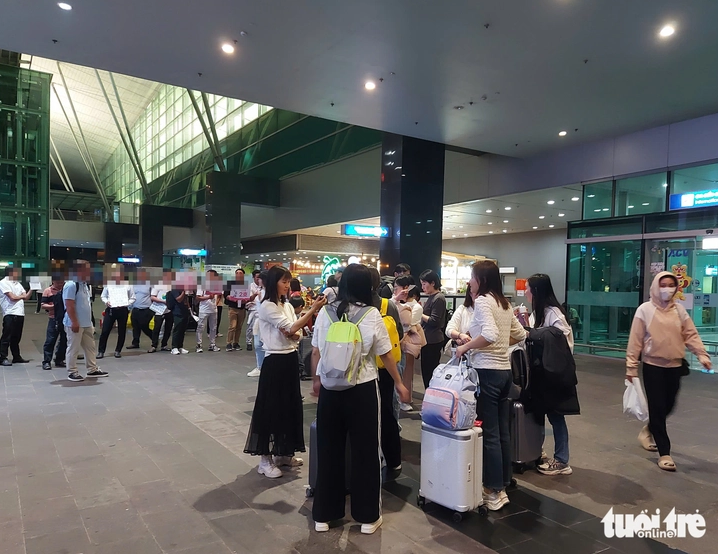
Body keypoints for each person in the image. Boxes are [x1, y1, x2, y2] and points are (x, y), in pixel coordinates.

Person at [311, 263, 410, 535]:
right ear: (367, 287)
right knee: (366, 452)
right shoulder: (371, 314)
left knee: (328, 450)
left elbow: (316, 352)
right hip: (362, 389)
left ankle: (323, 515)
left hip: (330, 390)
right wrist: (399, 384)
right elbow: (386, 353)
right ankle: (367, 517)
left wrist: (317, 381)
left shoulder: (325, 312)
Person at [243, 266, 326, 479]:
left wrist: (292, 332)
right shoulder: (267, 306)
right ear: (273, 283)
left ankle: (283, 453)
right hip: (275, 361)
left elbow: (293, 333)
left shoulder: (286, 305)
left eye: (289, 281)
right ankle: (265, 459)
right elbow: (290, 329)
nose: (287, 285)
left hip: (289, 359)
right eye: (284, 281)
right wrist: (312, 309)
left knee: (289, 407)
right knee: (270, 408)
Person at [456, 261, 526, 511]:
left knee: (491, 434)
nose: (469, 282)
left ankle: (493, 490)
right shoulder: (504, 301)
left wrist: (465, 347)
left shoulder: (484, 301)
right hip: (504, 373)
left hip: (486, 372)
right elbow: (520, 334)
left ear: (481, 279)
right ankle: (503, 483)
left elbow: (491, 334)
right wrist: (497, 348)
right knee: (503, 432)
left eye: (472, 277)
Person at [626, 271, 712, 472]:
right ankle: (665, 453)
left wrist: (702, 355)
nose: (667, 289)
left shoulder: (679, 311)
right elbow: (635, 340)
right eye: (663, 285)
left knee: (669, 405)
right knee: (657, 406)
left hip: (675, 366)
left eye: (671, 285)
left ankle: (649, 428)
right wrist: (631, 366)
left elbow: (690, 334)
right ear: (656, 286)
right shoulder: (644, 310)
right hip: (653, 366)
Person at [525, 274, 580, 476]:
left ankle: (562, 460)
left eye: (528, 288)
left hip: (552, 374)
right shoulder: (539, 312)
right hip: (541, 372)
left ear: (537, 291)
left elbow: (561, 338)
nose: (525, 292)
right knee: (540, 413)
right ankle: (536, 451)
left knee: (556, 416)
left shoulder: (553, 313)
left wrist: (534, 333)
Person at [369, 267, 404, 472]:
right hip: (387, 367)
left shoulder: (354, 307)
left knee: (368, 414)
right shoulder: (387, 304)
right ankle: (393, 459)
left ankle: (372, 457)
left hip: (362, 368)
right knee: (388, 411)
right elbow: (398, 333)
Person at [63, 260, 108, 382]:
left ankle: (92, 369)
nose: (90, 271)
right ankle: (72, 371)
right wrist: (74, 322)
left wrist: (90, 322)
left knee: (90, 347)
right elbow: (69, 305)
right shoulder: (71, 285)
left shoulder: (84, 284)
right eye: (87, 269)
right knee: (73, 348)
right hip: (75, 323)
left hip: (87, 323)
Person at [394, 276, 424, 412]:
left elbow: (408, 326)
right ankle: (399, 398)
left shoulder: (414, 307)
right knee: (398, 370)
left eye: (397, 288)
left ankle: (404, 399)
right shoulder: (395, 303)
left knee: (405, 371)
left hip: (405, 342)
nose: (395, 291)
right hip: (396, 342)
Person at [98, 267, 135, 359]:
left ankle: (118, 350)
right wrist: (107, 302)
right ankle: (101, 351)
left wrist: (127, 303)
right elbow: (103, 296)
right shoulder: (109, 285)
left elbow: (133, 298)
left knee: (121, 331)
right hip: (111, 309)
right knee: (105, 330)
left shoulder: (128, 285)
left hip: (123, 310)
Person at [419, 269, 447, 389]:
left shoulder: (438, 298)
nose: (423, 287)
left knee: (430, 371)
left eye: (424, 284)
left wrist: (419, 313)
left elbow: (434, 321)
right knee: (426, 371)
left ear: (433, 283)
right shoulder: (432, 297)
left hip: (433, 339)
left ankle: (432, 395)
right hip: (428, 339)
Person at [0, 266, 32, 366]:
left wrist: (32, 288)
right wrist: (21, 296)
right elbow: (12, 297)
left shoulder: (17, 283)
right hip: (10, 313)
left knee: (16, 337)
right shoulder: (3, 283)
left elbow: (26, 297)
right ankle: (2, 357)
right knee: (6, 336)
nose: (18, 274)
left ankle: (16, 356)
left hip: (20, 313)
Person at [41, 276, 68, 370]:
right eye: (58, 282)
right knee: (50, 340)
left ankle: (59, 360)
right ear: (53, 281)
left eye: (62, 282)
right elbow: (43, 305)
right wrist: (53, 307)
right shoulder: (47, 291)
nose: (60, 284)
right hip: (53, 318)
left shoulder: (66, 289)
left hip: (65, 318)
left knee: (64, 340)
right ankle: (46, 361)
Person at [195, 270, 221, 353]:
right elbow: (198, 298)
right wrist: (208, 297)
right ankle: (199, 344)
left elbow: (220, 295)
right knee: (200, 327)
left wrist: (216, 303)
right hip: (203, 309)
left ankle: (212, 344)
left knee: (213, 328)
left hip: (213, 309)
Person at [128, 268, 154, 350]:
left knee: (144, 326)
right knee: (135, 327)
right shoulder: (133, 284)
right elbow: (130, 296)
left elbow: (153, 296)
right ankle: (135, 343)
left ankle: (154, 339)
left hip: (146, 309)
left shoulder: (150, 284)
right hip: (135, 309)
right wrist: (129, 307)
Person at [248, 271, 268, 377]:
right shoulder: (261, 291)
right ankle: (260, 366)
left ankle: (261, 367)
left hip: (263, 320)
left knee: (260, 345)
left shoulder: (265, 292)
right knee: (258, 344)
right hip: (259, 319)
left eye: (259, 278)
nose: (258, 280)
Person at [149, 270, 173, 353]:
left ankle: (164, 344)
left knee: (168, 328)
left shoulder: (172, 286)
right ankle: (154, 345)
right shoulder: (158, 285)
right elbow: (152, 297)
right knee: (157, 328)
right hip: (159, 310)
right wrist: (163, 301)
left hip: (169, 310)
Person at [224, 268, 247, 352]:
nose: (238, 275)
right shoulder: (230, 284)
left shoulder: (245, 285)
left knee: (239, 327)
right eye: (237, 273)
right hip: (233, 307)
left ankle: (236, 343)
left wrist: (245, 300)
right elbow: (226, 295)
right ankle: (228, 343)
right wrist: (232, 298)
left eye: (240, 273)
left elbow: (247, 296)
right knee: (232, 326)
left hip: (242, 308)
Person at [166, 283, 190, 355]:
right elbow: (178, 299)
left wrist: (189, 308)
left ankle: (180, 346)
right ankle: (174, 347)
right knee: (177, 329)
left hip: (185, 311)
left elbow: (186, 300)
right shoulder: (175, 289)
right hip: (177, 312)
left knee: (182, 330)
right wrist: (184, 292)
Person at [246, 270, 262, 351]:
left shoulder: (263, 286)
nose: (258, 279)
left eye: (260, 277)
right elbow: (249, 299)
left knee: (261, 326)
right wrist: (255, 294)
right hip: (252, 308)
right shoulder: (250, 286)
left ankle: (260, 341)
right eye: (257, 277)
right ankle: (249, 341)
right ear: (253, 277)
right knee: (250, 326)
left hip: (261, 309)